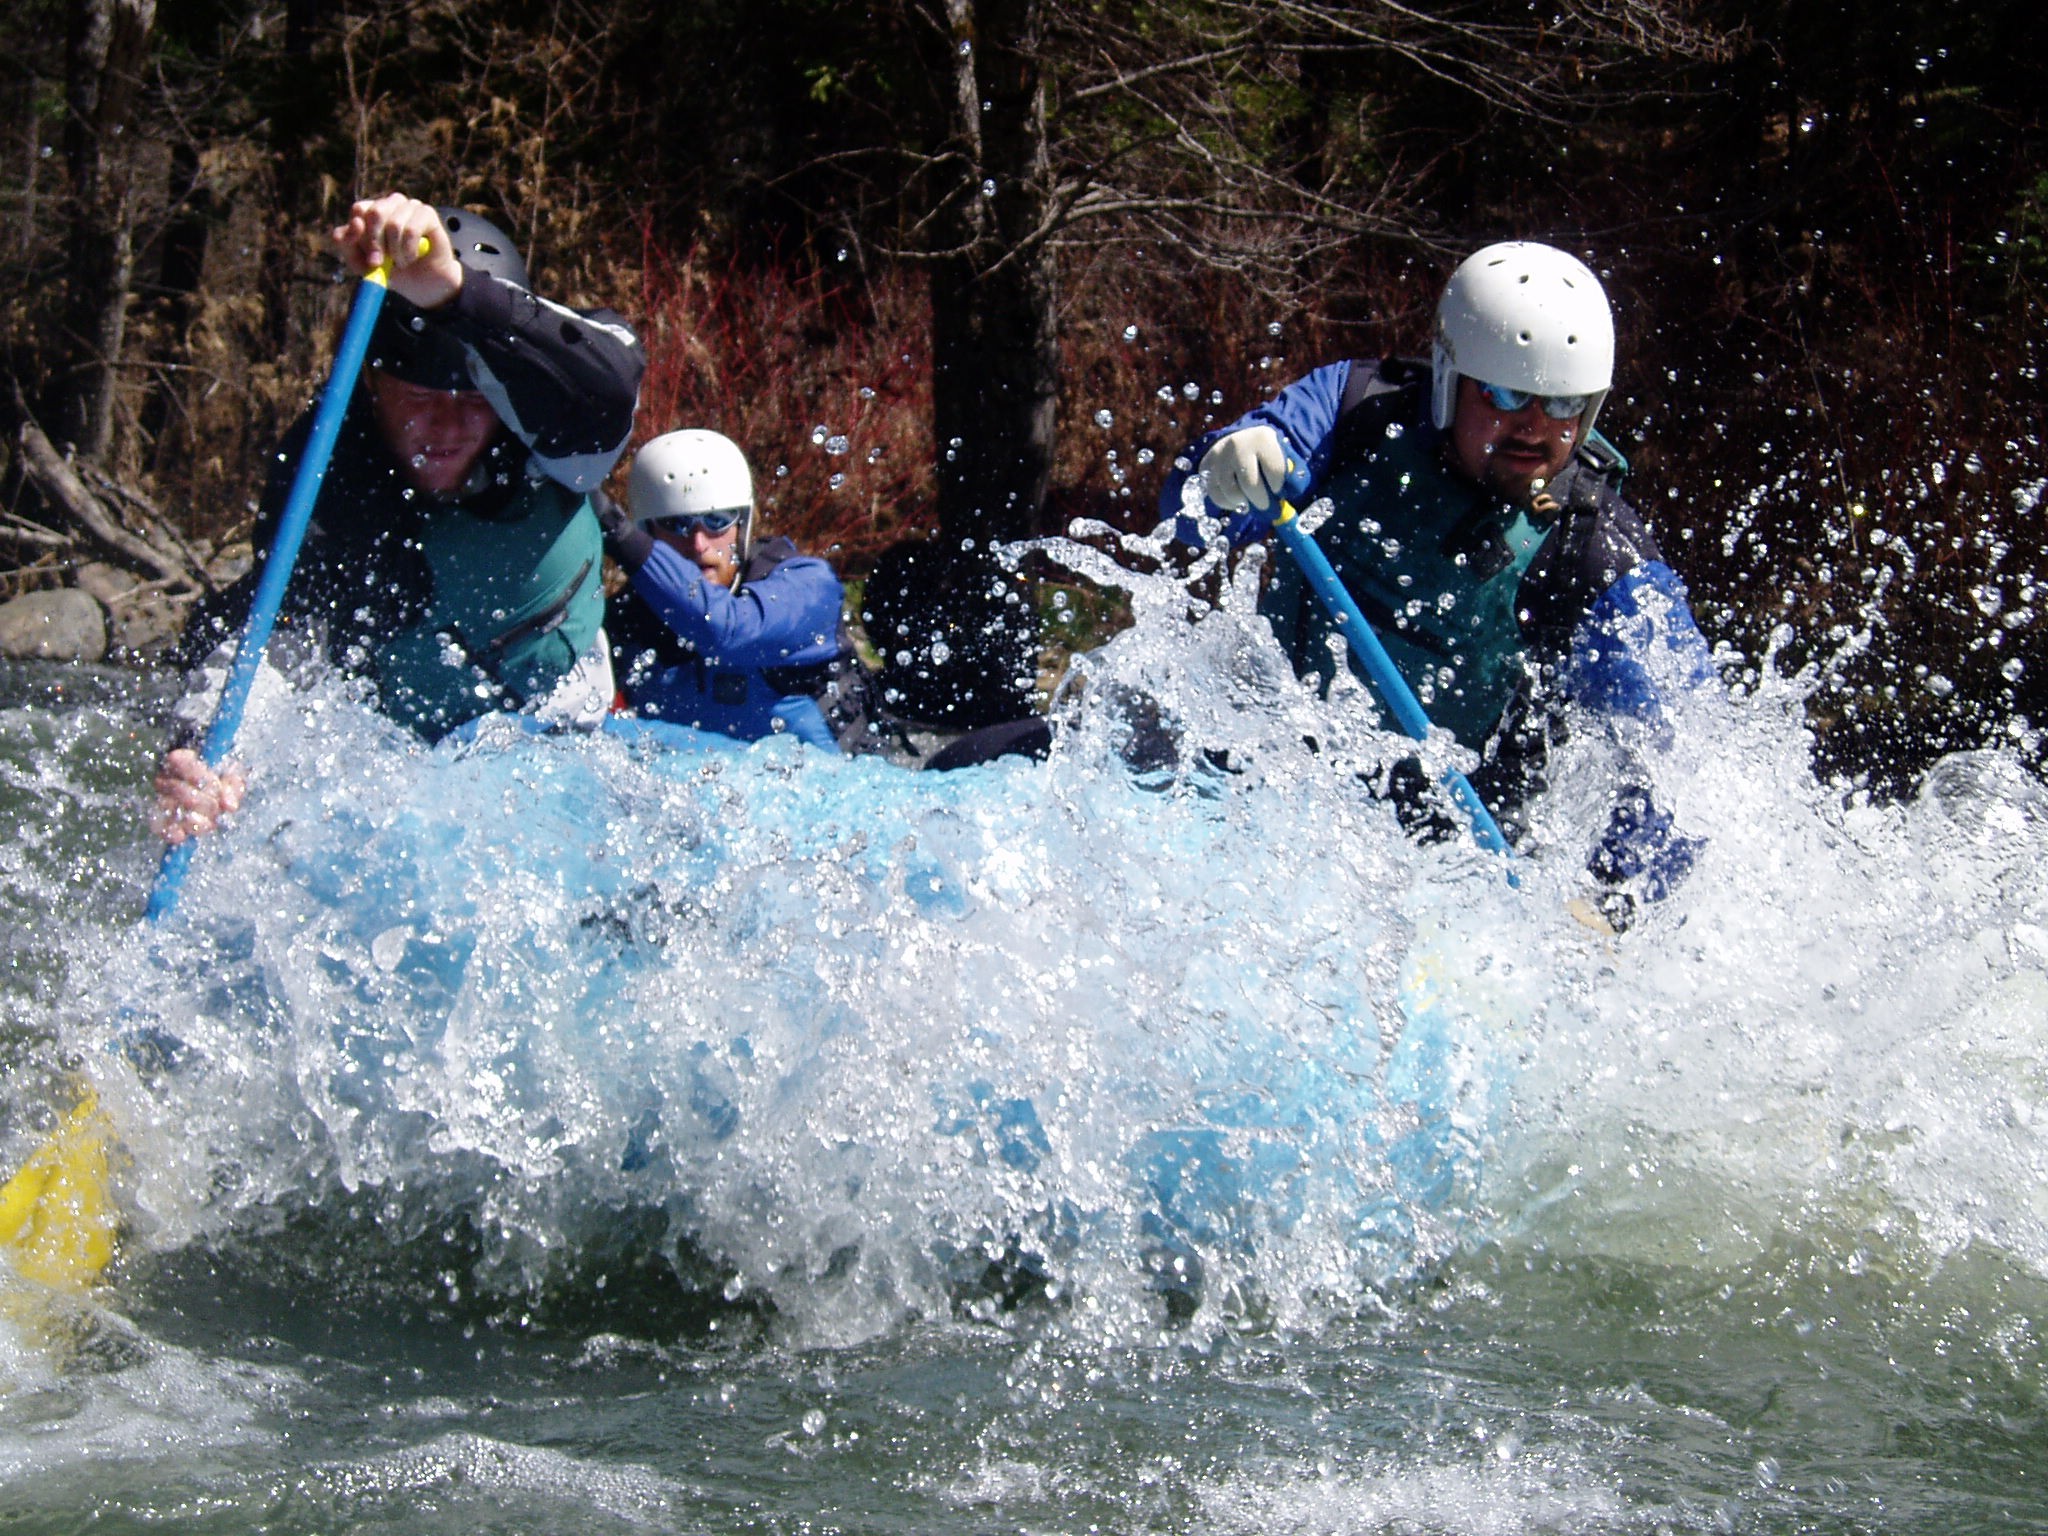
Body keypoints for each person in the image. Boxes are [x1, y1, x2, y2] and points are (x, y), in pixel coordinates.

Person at [1163, 240, 1714, 923]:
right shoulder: (1356, 408)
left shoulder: (1597, 553)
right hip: (1255, 772)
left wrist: (1612, 901)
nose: (1537, 429)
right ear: (1451, 379)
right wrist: (1218, 475)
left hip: (1435, 872)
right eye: (1509, 396)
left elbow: (1684, 765)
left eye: (1565, 404)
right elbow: (1189, 520)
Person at [155, 194, 645, 843]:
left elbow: (613, 383)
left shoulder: (545, 417)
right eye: (419, 398)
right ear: (370, 385)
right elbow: (271, 636)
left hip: (561, 718)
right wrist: (207, 754)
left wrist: (455, 295)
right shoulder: (329, 466)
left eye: (470, 400)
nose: (447, 427)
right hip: (393, 756)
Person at [597, 429, 864, 750]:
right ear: (648, 531)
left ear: (742, 525)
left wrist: (616, 532)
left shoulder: (807, 587)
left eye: (716, 520)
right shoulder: (625, 621)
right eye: (675, 524)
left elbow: (730, 630)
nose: (698, 543)